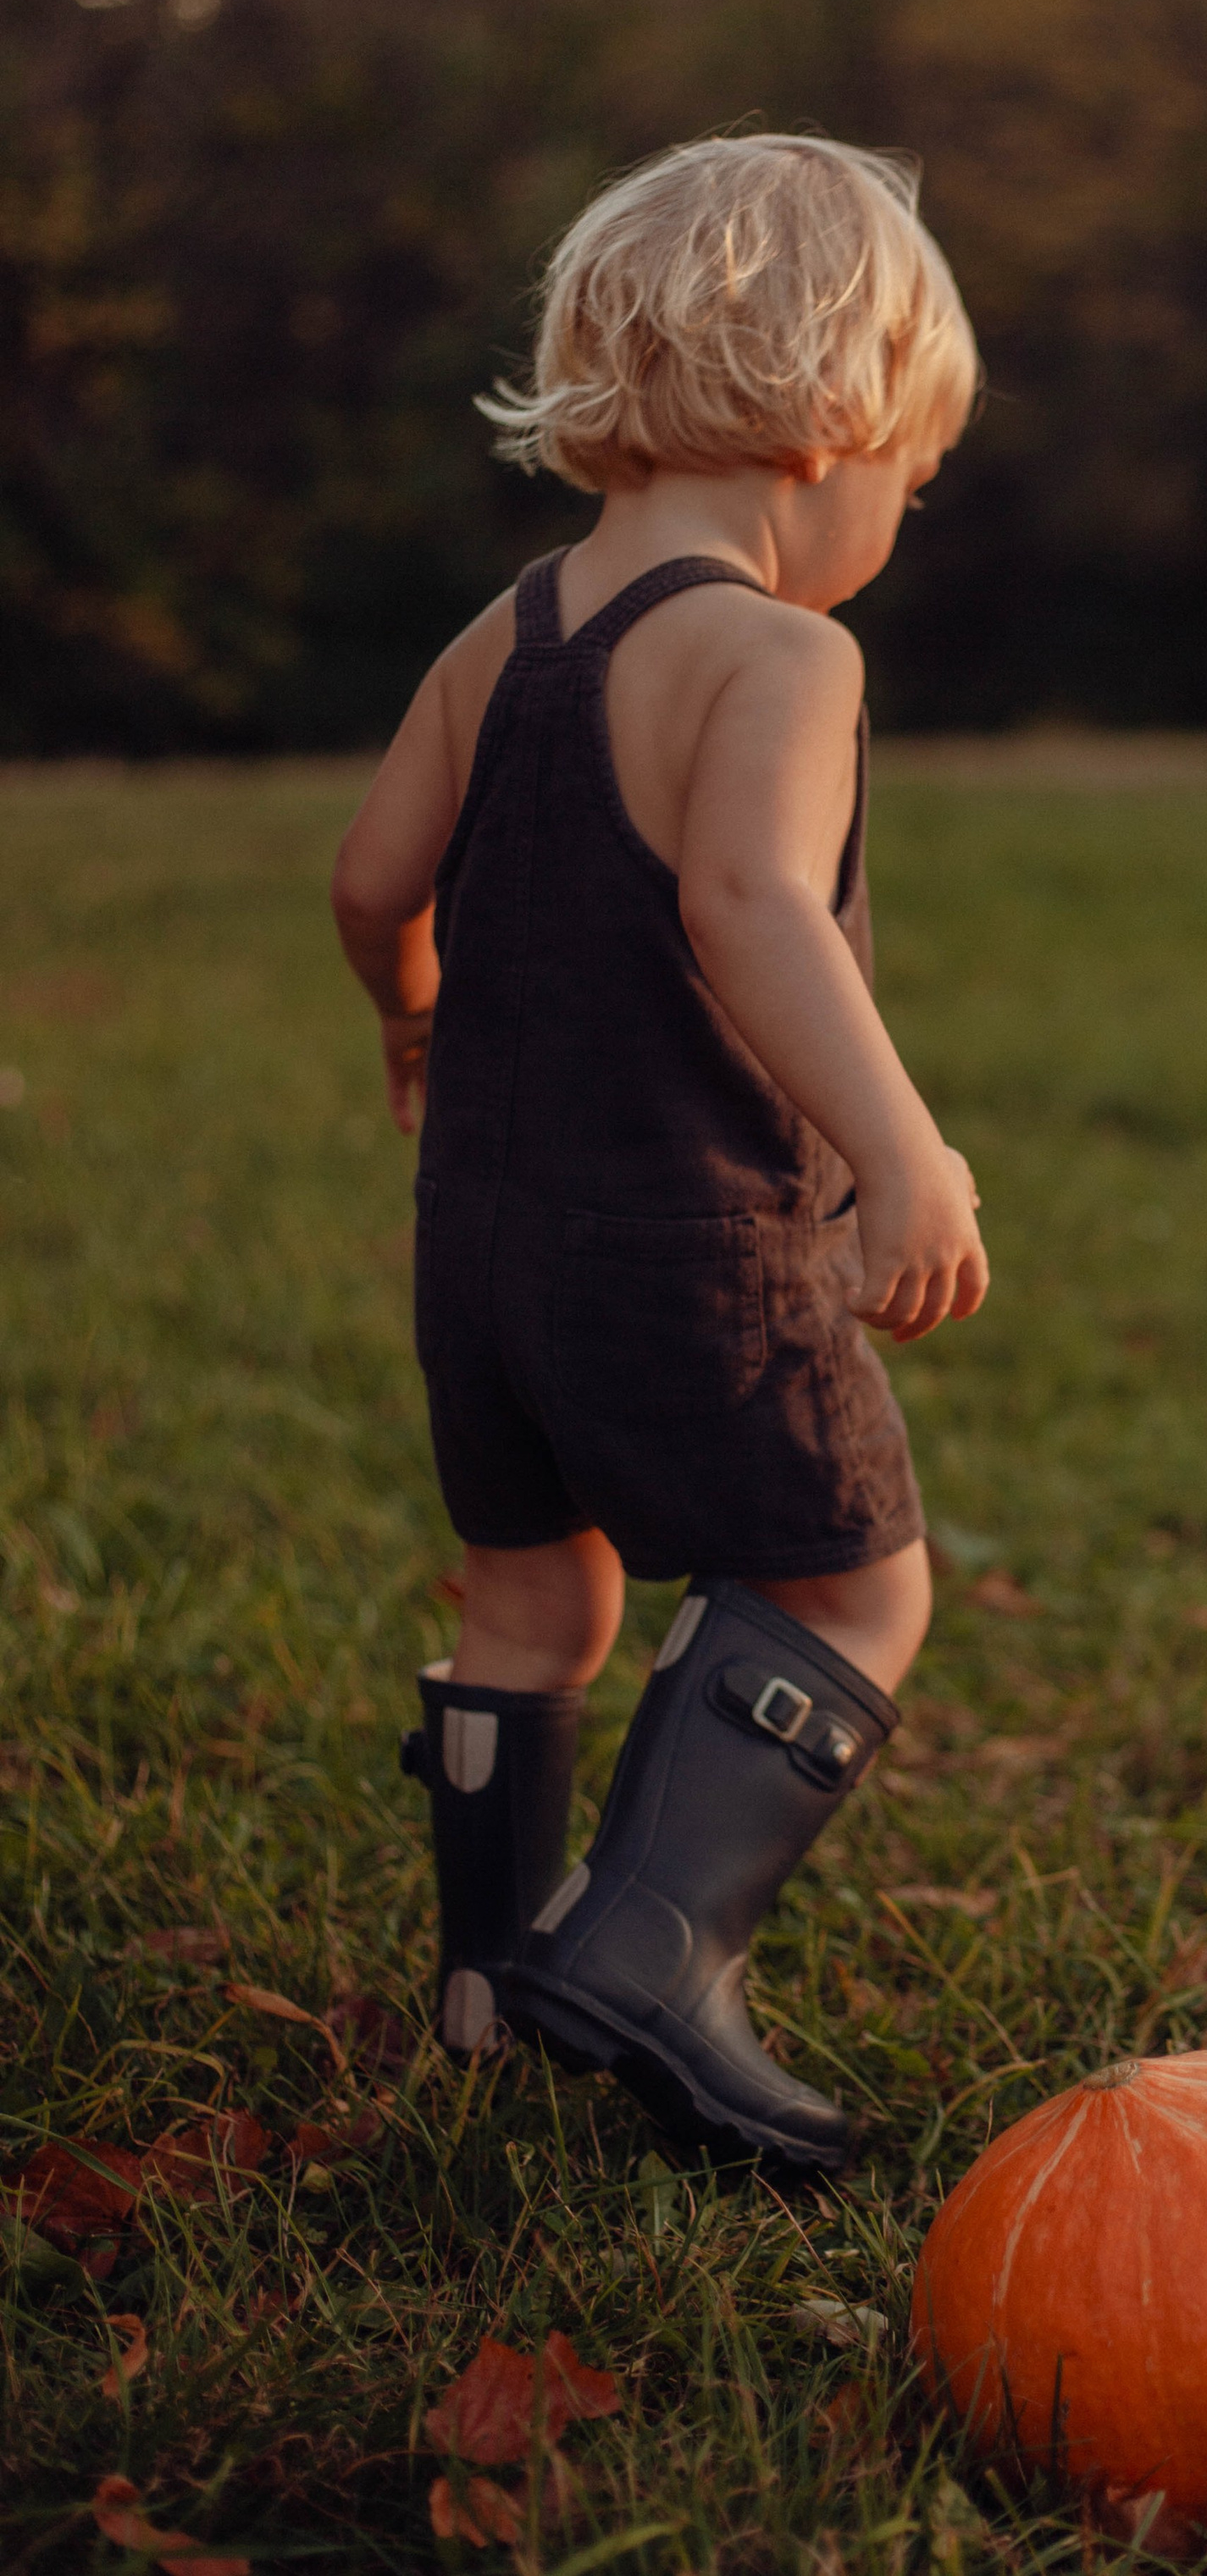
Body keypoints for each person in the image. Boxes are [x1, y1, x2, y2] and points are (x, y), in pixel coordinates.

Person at [330, 132, 988, 2169]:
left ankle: (478, 1999)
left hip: (481, 1253)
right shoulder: (783, 655)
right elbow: (751, 906)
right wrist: (905, 1152)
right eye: (915, 471)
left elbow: (367, 879)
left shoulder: (505, 635)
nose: (904, 510)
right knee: (860, 1590)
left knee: (532, 1605)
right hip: (693, 1249)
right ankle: (647, 1947)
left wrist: (413, 1007)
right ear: (835, 421)